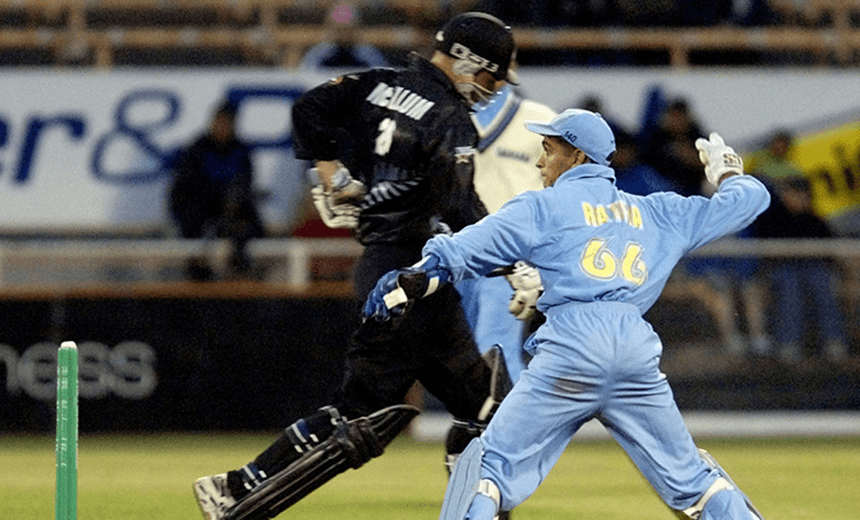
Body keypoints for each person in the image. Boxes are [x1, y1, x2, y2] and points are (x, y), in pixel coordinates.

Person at [364, 109, 770, 520]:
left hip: (572, 346)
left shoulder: (545, 206)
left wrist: (412, 276)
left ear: (577, 156)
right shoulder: (657, 211)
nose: (540, 162)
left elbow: (462, 250)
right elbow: (750, 202)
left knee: (487, 466)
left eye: (548, 149)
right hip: (633, 349)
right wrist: (729, 174)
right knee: (693, 480)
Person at [193, 12, 519, 520]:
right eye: (492, 74)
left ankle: (473, 509)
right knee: (359, 417)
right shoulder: (451, 117)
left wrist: (332, 175)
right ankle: (238, 488)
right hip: (407, 275)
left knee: (484, 405)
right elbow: (459, 207)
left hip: (401, 268)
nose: (494, 88)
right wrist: (512, 259)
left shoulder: (378, 83)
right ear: (467, 61)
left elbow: (309, 108)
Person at [456, 83, 556, 383]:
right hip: (458, 249)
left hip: (515, 253)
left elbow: (569, 182)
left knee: (495, 347)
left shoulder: (540, 118)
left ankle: (516, 428)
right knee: (467, 354)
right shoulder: (448, 115)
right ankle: (485, 427)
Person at [753, 174, 850, 362]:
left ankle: (834, 342)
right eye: (790, 193)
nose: (794, 198)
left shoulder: (815, 219)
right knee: (790, 289)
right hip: (783, 268)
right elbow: (766, 251)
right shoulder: (774, 218)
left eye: (799, 194)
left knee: (822, 284)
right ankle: (788, 344)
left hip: (813, 268)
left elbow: (830, 251)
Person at [168, 101, 265, 280]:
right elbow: (186, 189)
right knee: (196, 225)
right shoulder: (197, 150)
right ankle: (198, 271)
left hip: (230, 210)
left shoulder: (240, 151)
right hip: (200, 209)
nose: (222, 128)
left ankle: (242, 271)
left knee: (248, 227)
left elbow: (245, 184)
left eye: (227, 123)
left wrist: (232, 204)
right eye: (219, 122)